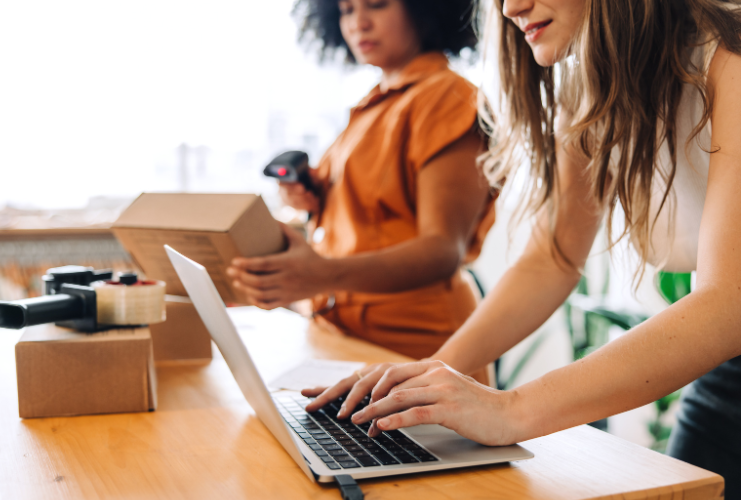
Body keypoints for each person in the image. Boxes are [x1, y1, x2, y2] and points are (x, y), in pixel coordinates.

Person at [303, 0, 741, 495]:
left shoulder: (730, 56)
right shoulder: (588, 91)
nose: (512, 8)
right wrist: (429, 377)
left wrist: (511, 411)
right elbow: (552, 258)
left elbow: (730, 303)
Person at [226, 0, 498, 365]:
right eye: (347, 10)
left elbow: (442, 250)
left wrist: (320, 275)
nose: (358, 23)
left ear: (425, 10)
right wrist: (315, 200)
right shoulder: (370, 107)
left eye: (377, 5)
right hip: (339, 335)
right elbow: (370, 215)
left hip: (416, 349)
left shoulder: (449, 99)